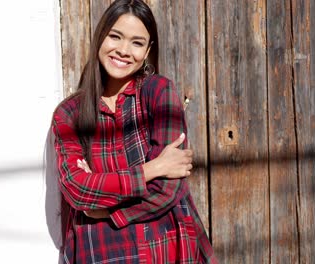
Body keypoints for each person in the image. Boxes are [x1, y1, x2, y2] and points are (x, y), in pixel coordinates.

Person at [45, 0, 217, 262]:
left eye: (137, 43)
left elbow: (167, 190)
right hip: (103, 249)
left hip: (166, 245)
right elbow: (79, 190)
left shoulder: (158, 92)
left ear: (148, 51)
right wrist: (153, 169)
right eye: (115, 37)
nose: (124, 50)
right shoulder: (68, 114)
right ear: (100, 37)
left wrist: (107, 211)